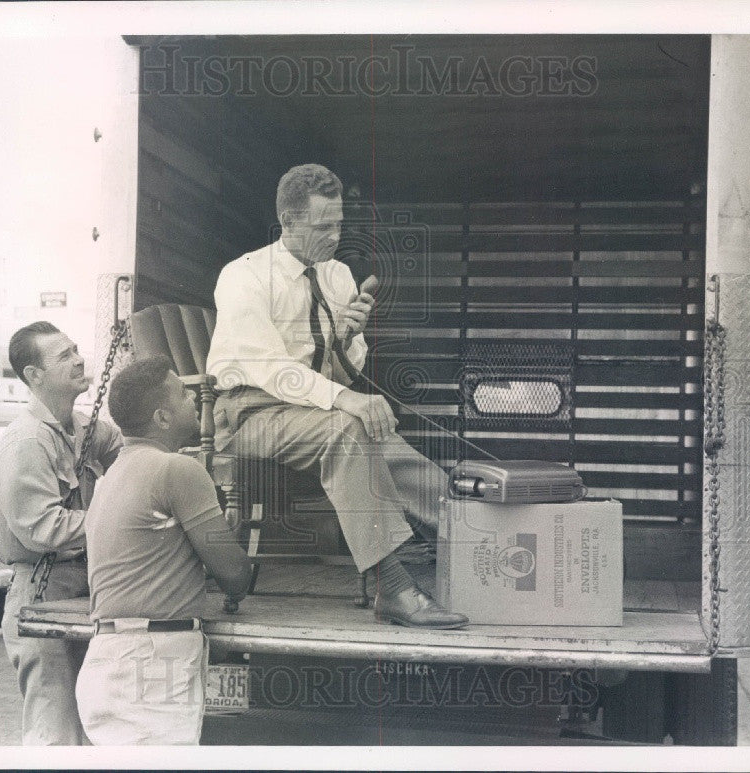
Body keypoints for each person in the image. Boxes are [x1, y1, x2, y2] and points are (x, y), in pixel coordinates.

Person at [206, 163, 468, 629]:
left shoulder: (338, 276)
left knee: (402, 456)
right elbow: (273, 370)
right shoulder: (243, 276)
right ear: (287, 222)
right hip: (250, 414)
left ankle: (478, 554)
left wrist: (347, 339)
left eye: (339, 224)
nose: (334, 235)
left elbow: (343, 375)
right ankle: (394, 587)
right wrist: (348, 401)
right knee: (349, 427)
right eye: (322, 225)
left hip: (311, 414)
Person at [75, 356, 252, 745]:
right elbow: (236, 576)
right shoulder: (177, 469)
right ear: (162, 418)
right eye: (184, 393)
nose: (195, 399)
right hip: (151, 664)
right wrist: (227, 540)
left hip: (107, 659)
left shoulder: (110, 478)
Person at [0, 321, 123, 745]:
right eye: (64, 356)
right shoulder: (25, 442)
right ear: (34, 377)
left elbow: (133, 455)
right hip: (41, 593)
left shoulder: (84, 428)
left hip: (86, 588)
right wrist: (126, 522)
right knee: (55, 734)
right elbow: (44, 529)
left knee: (95, 728)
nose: (78, 359)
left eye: (76, 349)